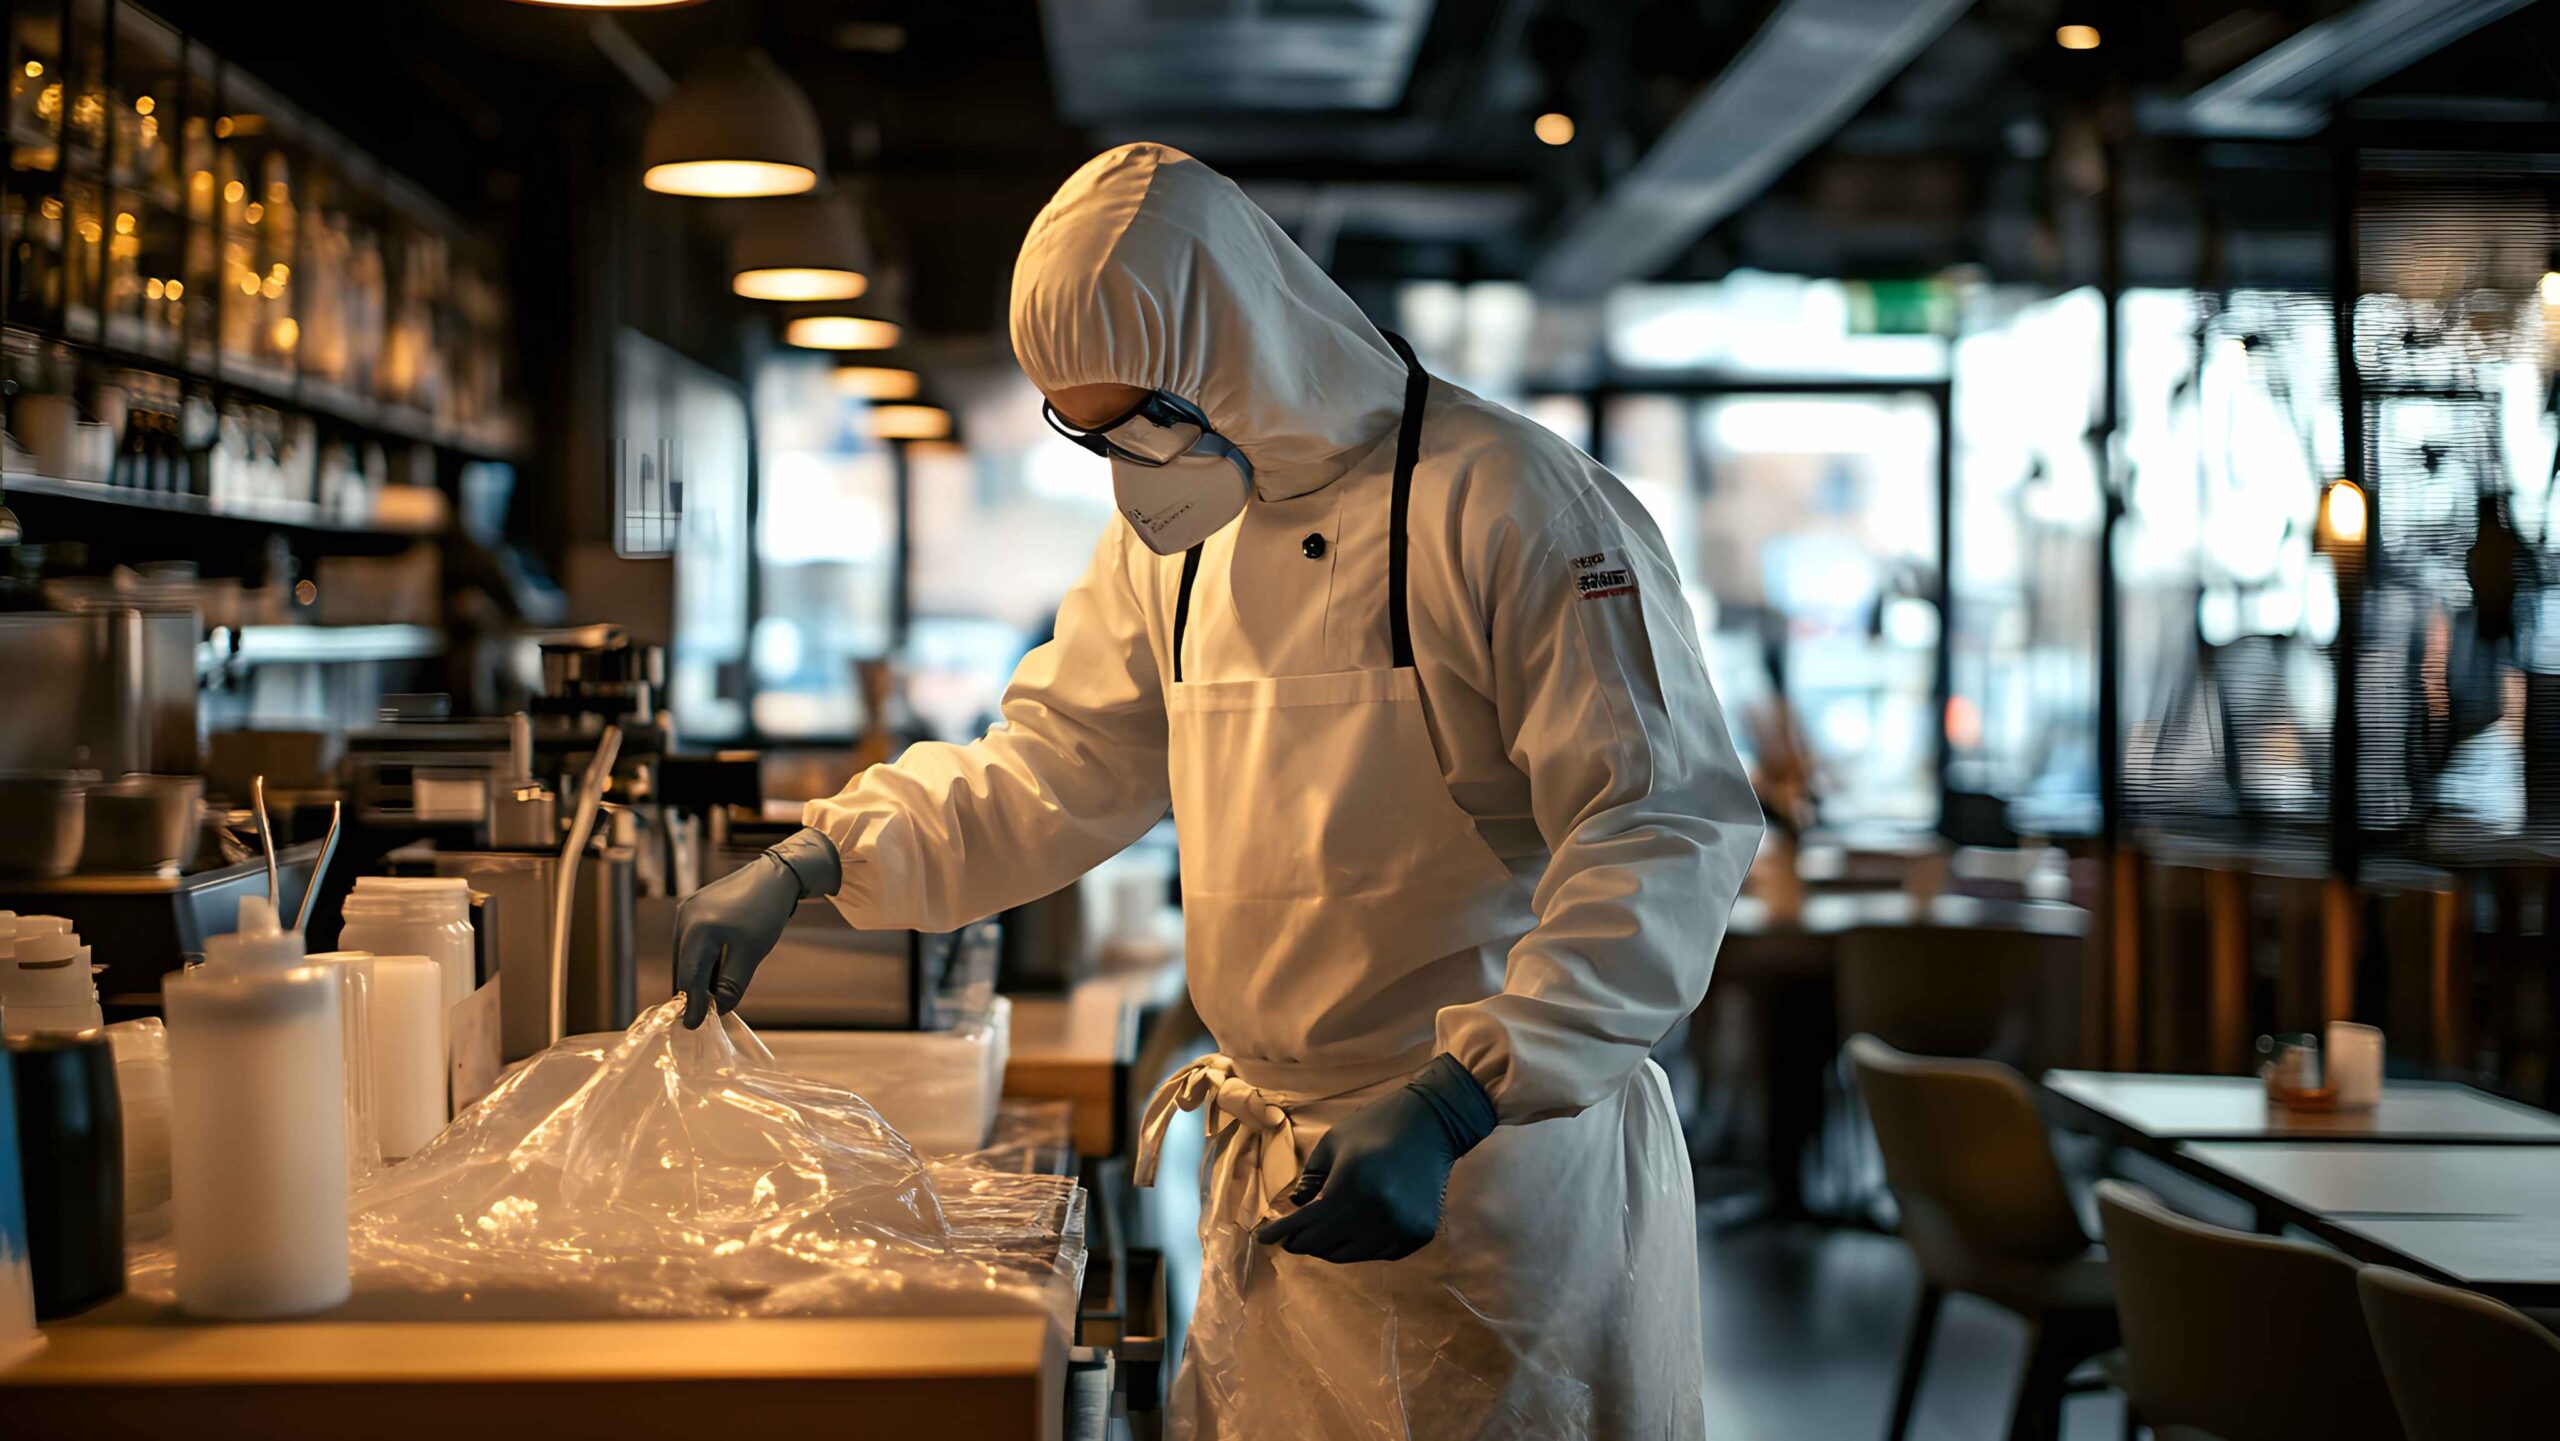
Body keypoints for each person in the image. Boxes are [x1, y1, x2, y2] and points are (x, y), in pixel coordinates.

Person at [675, 143, 1762, 1439]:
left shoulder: (1513, 501)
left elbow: (1660, 829)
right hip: (1282, 1177)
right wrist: (822, 854)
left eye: (1146, 417)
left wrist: (1460, 1093)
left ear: (1241, 353)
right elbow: (1051, 764)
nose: (1128, 466)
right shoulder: (1176, 560)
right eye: (1088, 433)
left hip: (1498, 1185)